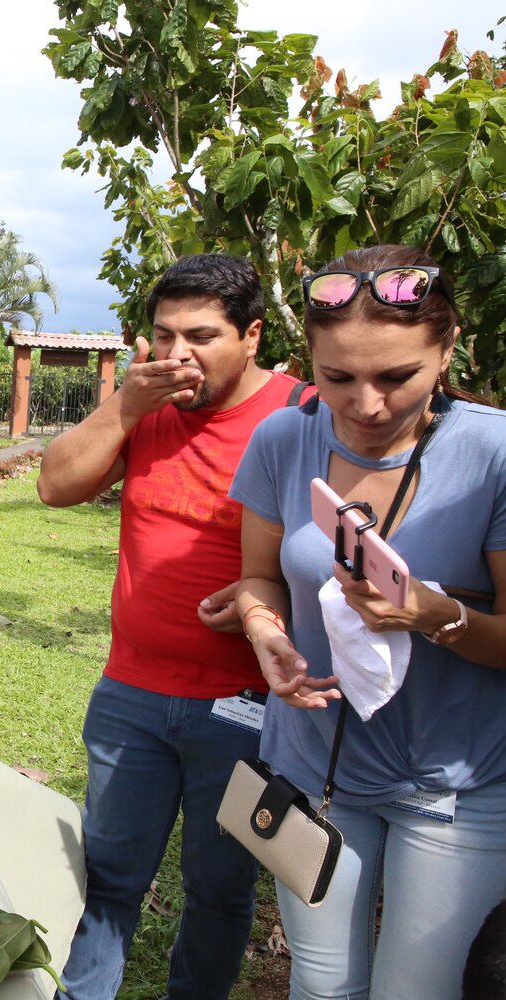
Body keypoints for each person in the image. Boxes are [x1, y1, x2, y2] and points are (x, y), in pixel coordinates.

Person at [232, 245, 506, 1000]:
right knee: (322, 987)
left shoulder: (493, 453)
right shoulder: (283, 439)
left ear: (446, 349)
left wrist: (437, 614)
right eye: (338, 377)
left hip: (454, 787)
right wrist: (266, 634)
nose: (367, 404)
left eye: (397, 377)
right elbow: (258, 576)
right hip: (317, 770)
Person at [39, 254, 308, 1000]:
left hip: (247, 706)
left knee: (221, 888)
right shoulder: (147, 404)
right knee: (108, 877)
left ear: (252, 335)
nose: (177, 355)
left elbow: (333, 554)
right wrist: (124, 408)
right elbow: (55, 486)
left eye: (201, 336)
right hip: (132, 690)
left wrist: (263, 591)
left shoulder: (302, 414)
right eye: (163, 335)